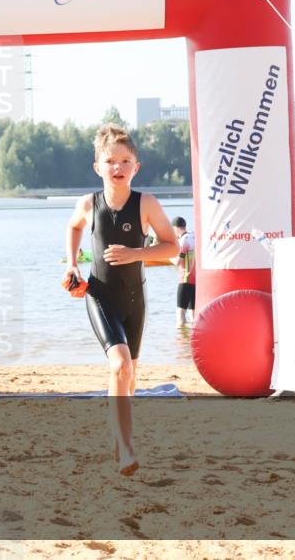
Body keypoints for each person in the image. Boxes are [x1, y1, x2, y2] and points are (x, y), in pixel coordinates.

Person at [63, 124, 178, 476]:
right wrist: (71, 264)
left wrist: (135, 253)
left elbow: (172, 246)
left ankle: (118, 439)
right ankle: (127, 449)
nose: (118, 167)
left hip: (134, 299)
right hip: (99, 295)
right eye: (110, 161)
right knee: (120, 365)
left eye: (125, 160)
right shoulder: (88, 203)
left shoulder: (146, 203)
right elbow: (74, 227)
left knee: (129, 377)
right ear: (98, 167)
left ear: (136, 167)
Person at [170, 217, 196, 327]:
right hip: (196, 282)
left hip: (185, 280)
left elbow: (177, 261)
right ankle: (191, 342)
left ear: (175, 228)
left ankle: (182, 341)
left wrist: (167, 256)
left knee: (180, 317)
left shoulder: (184, 240)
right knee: (194, 318)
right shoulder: (194, 237)